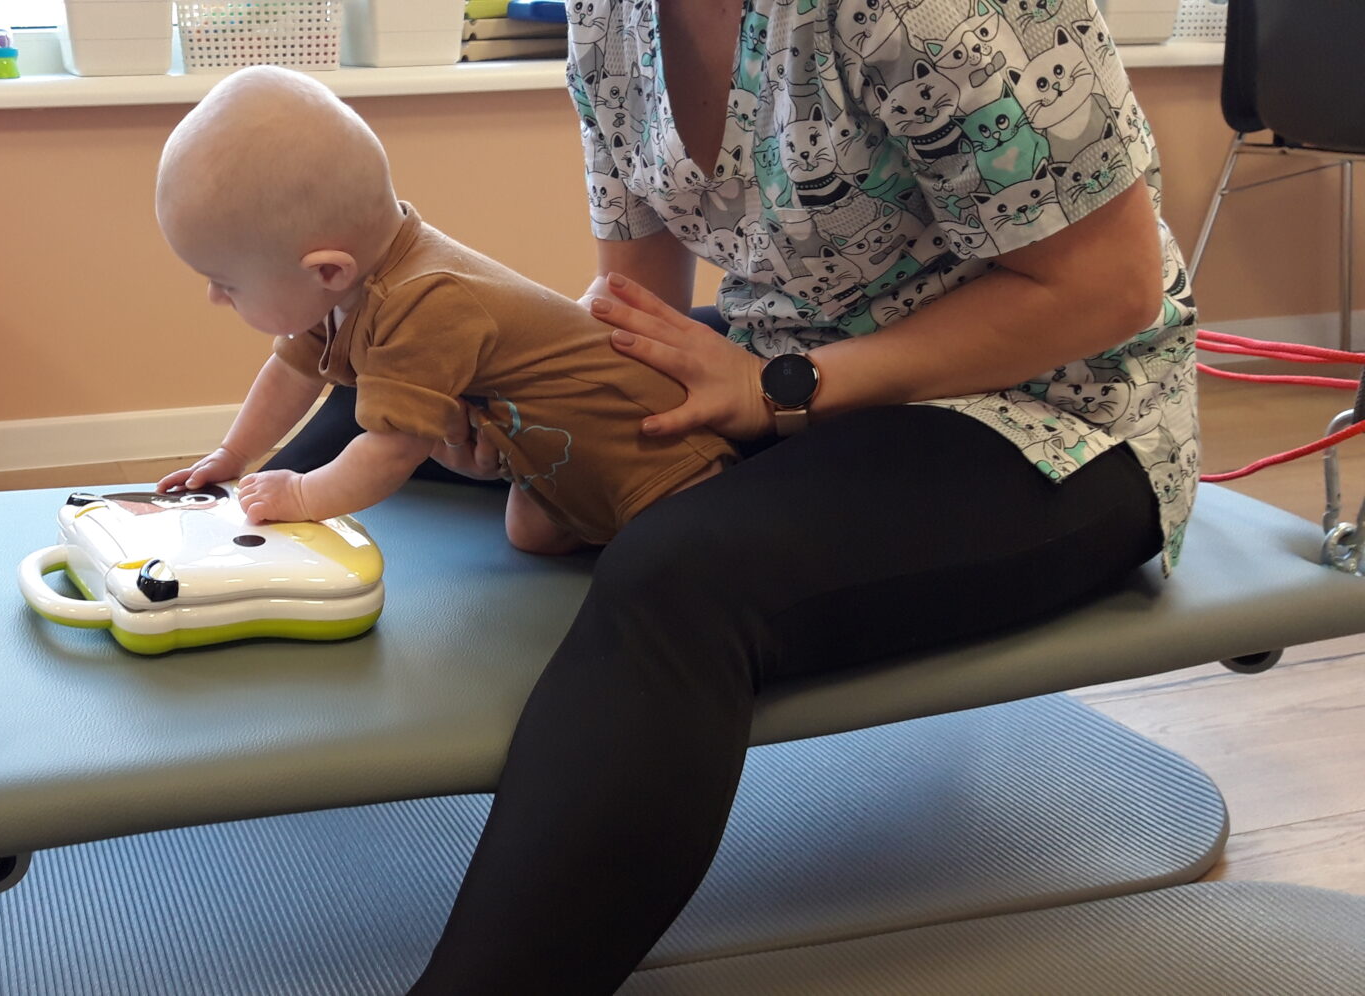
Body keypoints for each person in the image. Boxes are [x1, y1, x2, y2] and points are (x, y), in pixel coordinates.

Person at [269, 0, 1199, 991]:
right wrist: (540, 433)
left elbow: (1108, 287)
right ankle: (189, 565)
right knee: (394, 404)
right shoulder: (609, 16)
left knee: (678, 578)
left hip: (1055, 413)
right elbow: (634, 315)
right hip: (782, 355)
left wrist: (781, 390)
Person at [154, 67, 737, 553]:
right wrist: (234, 454)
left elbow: (391, 452)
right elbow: (290, 372)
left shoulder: (424, 302)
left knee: (662, 560)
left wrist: (302, 495)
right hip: (556, 458)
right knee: (530, 535)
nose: (215, 298)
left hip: (658, 456)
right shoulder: (343, 286)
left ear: (327, 270)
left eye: (225, 284)